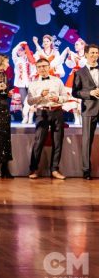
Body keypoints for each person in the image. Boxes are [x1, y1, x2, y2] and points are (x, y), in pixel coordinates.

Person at [26, 58, 68, 180]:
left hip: (57, 111)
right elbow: (29, 101)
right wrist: (41, 96)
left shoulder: (57, 81)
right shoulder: (33, 83)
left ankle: (54, 169)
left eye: (44, 66)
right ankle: (34, 169)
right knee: (39, 141)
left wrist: (58, 99)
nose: (42, 68)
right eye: (39, 67)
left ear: (49, 67)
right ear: (36, 69)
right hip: (42, 112)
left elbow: (65, 96)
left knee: (58, 141)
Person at [71, 44, 99, 180]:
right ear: (86, 54)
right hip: (89, 108)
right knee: (87, 140)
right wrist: (89, 93)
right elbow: (75, 93)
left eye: (97, 53)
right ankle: (86, 170)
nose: (95, 55)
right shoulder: (79, 73)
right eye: (92, 53)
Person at [11, 41, 36, 123]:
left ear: (25, 51)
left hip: (30, 82)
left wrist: (32, 75)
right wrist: (19, 44)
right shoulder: (17, 59)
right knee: (23, 101)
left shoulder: (30, 59)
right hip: (20, 83)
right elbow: (13, 51)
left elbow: (34, 69)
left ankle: (31, 117)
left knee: (31, 100)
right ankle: (25, 117)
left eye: (20, 50)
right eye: (18, 50)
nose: (18, 52)